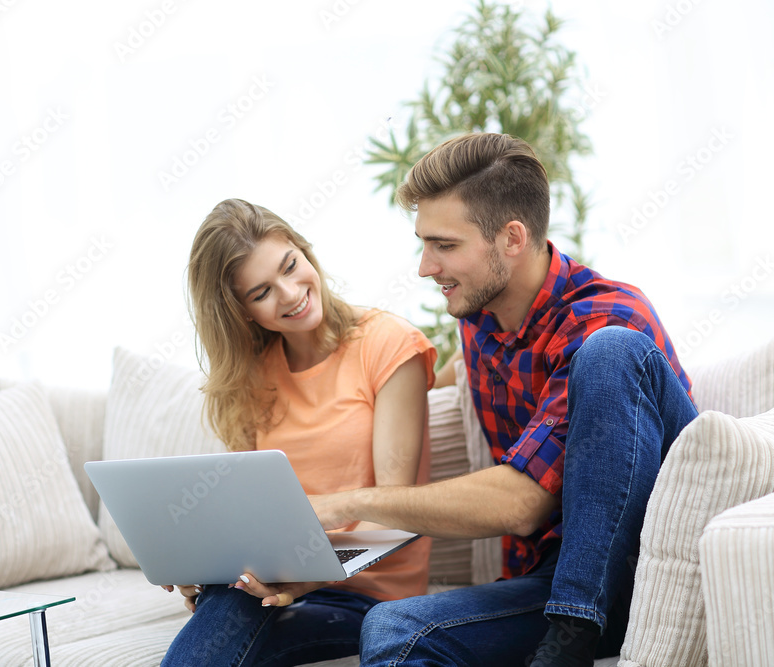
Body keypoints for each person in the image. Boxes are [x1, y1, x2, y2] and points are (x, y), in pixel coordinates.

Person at [309, 133, 699, 667]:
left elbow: (521, 503)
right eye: (423, 243)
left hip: (647, 566)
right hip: (550, 580)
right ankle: (567, 630)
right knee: (394, 629)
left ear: (512, 238)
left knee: (612, 352)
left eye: (444, 245)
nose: (425, 267)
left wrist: (353, 501)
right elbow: (421, 390)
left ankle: (569, 639)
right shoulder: (480, 323)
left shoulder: (603, 315)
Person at [159, 198, 438, 667]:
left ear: (305, 252)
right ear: (241, 311)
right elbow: (245, 518)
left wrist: (304, 577)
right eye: (261, 292)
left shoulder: (388, 344)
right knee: (231, 597)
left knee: (229, 625)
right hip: (272, 588)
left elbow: (395, 510)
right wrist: (204, 565)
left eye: (291, 266)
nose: (290, 294)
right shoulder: (252, 377)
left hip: (366, 598)